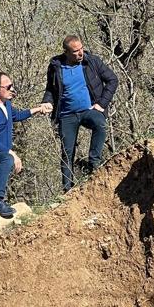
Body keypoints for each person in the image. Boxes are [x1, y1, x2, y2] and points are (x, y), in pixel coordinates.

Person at [42, 35, 118, 192]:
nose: (80, 53)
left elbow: (112, 79)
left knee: (100, 124)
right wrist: (47, 101)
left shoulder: (92, 62)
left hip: (89, 110)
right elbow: (51, 89)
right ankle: (67, 189)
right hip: (66, 115)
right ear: (67, 52)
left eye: (81, 49)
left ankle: (94, 164)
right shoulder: (56, 67)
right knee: (67, 151)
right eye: (75, 51)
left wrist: (102, 103)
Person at [0, 72, 51, 219]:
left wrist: (38, 109)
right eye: (8, 87)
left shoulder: (6, 104)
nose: (12, 89)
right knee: (7, 159)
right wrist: (11, 153)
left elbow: (16, 116)